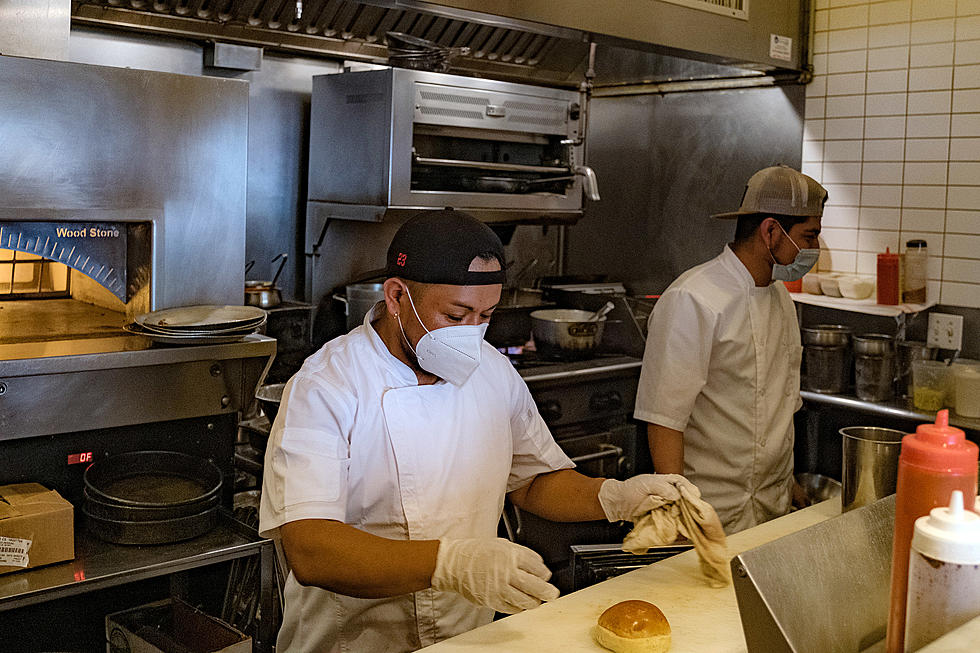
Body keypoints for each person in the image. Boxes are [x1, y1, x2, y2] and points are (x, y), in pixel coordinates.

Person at [258, 208, 702, 652]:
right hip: (352, 643)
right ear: (396, 297)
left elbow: (533, 481)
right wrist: (450, 564)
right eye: (456, 315)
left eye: (486, 316)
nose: (472, 334)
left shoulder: (492, 370)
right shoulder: (326, 386)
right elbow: (311, 547)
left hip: (468, 638)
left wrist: (614, 497)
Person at [634, 165, 828, 534]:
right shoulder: (693, 299)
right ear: (771, 230)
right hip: (708, 508)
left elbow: (782, 405)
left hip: (770, 506)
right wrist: (679, 511)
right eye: (809, 235)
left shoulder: (781, 300)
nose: (814, 249)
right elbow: (664, 420)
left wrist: (788, 484)